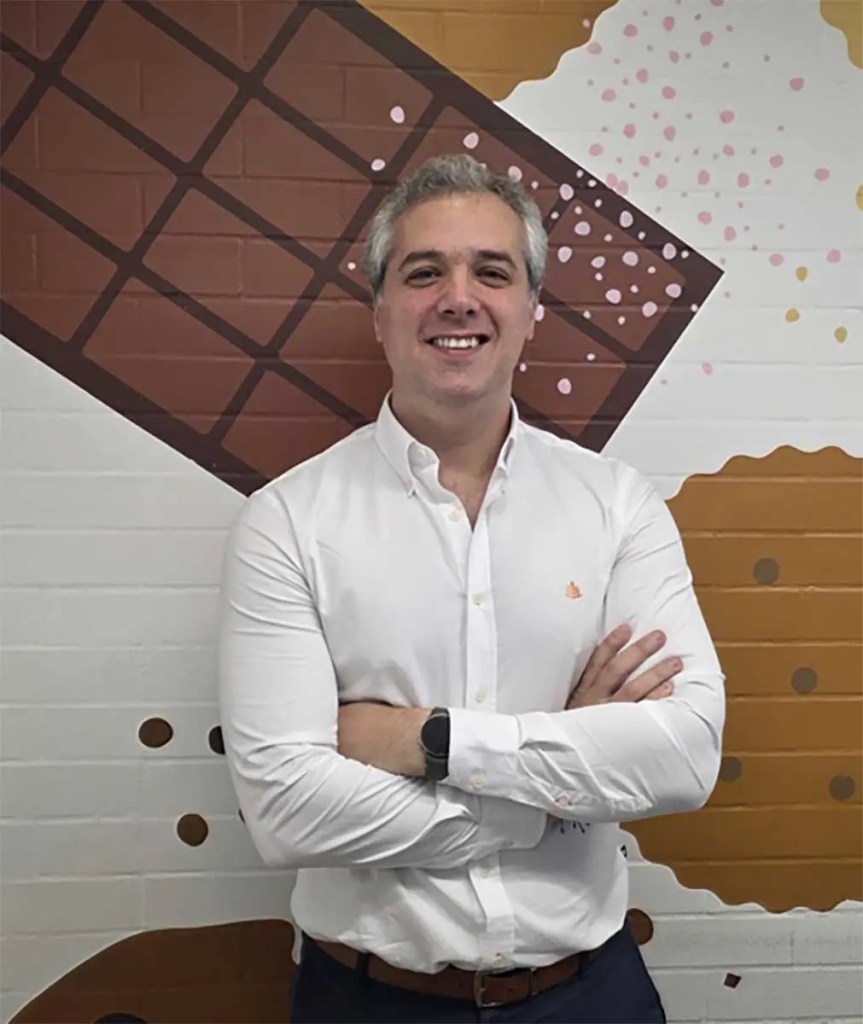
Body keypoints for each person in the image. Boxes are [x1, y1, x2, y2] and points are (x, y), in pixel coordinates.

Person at [217, 153, 725, 1023]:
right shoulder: (287, 521)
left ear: (530, 312)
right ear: (379, 312)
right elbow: (287, 812)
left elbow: (682, 757)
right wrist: (551, 794)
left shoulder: (617, 506)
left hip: (590, 994)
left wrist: (428, 741)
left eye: (492, 272)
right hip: (368, 1001)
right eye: (424, 273)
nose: (459, 297)